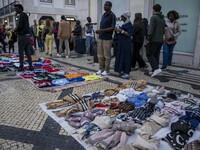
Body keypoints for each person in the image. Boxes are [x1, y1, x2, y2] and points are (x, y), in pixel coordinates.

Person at [96, 1, 116, 76]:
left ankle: (107, 70)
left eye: (106, 5)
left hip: (107, 39)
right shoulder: (103, 15)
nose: (104, 6)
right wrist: (99, 31)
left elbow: (112, 27)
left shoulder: (112, 15)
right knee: (99, 55)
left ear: (110, 7)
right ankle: (101, 69)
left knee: (107, 55)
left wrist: (101, 30)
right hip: (101, 38)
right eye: (104, 5)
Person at [146, 4, 165, 77]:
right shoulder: (162, 19)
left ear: (153, 9)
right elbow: (163, 30)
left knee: (149, 54)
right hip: (160, 40)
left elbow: (151, 29)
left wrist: (148, 39)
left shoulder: (153, 17)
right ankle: (154, 70)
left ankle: (156, 68)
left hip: (154, 39)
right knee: (156, 55)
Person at [14, 4, 33, 71]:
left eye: (16, 9)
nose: (15, 10)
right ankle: (30, 66)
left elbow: (20, 25)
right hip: (27, 35)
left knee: (21, 52)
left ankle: (21, 66)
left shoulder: (20, 15)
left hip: (22, 36)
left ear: (20, 8)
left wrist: (16, 30)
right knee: (27, 52)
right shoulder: (25, 15)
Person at [114, 11, 133, 79]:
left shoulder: (129, 24)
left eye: (122, 17)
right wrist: (117, 30)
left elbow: (129, 34)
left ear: (125, 17)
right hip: (122, 43)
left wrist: (121, 30)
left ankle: (127, 73)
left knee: (126, 57)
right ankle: (121, 70)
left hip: (126, 43)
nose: (121, 18)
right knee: (121, 56)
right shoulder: (124, 24)